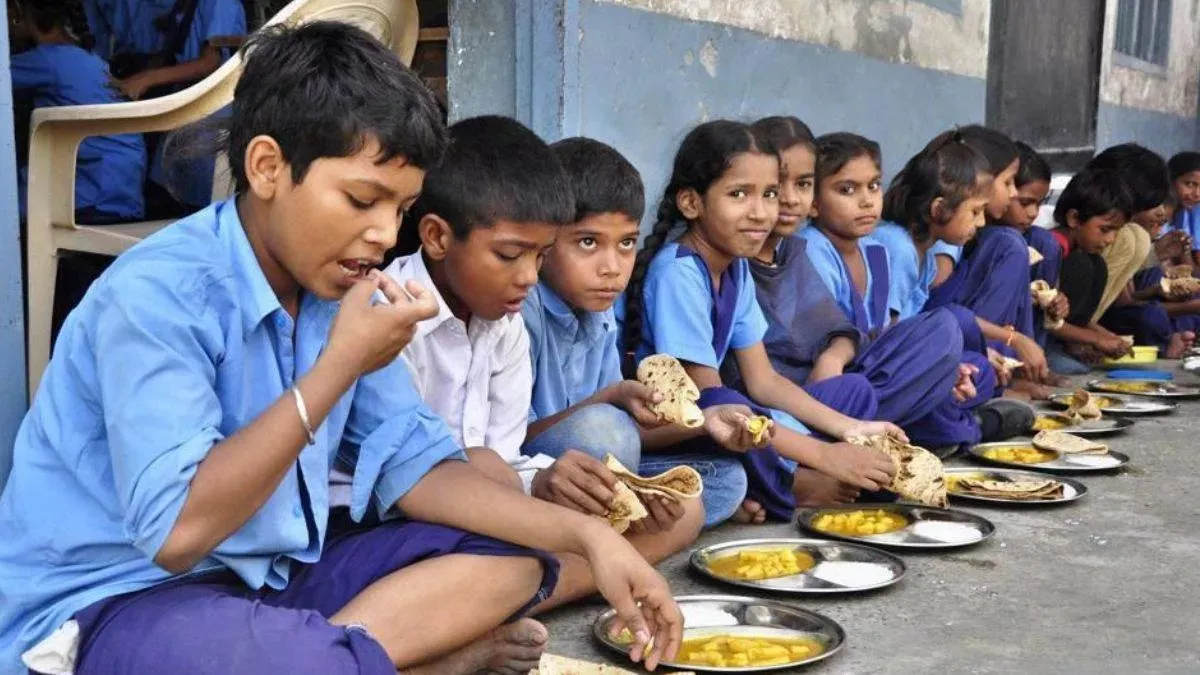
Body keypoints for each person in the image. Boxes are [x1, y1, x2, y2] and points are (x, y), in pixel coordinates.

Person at [0, 24, 681, 675]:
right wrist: (338, 367)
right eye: (362, 200)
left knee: (525, 554)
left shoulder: (336, 291)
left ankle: (344, 655)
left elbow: (423, 470)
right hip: (117, 598)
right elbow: (179, 532)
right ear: (267, 167)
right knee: (276, 657)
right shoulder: (157, 293)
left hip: (270, 577)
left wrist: (589, 535)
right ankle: (373, 657)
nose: (386, 234)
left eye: (400, 208)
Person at [622, 119, 898, 523]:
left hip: (737, 419)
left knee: (854, 393)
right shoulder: (678, 273)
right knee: (730, 407)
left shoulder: (736, 268)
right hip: (685, 431)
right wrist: (825, 453)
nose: (761, 212)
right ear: (691, 203)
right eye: (739, 194)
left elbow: (765, 381)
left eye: (769, 194)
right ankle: (791, 486)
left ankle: (788, 474)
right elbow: (711, 404)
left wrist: (853, 430)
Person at [525, 136, 761, 530]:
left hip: (604, 461)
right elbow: (513, 443)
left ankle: (615, 523)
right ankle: (610, 532)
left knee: (725, 480)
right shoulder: (523, 311)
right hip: (536, 473)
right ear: (543, 239)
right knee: (603, 428)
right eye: (588, 242)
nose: (612, 267)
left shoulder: (599, 312)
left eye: (626, 244)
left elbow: (630, 438)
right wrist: (613, 397)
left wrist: (706, 422)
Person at [85, 0, 248, 214]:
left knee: (202, 197)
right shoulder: (185, 6)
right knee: (168, 191)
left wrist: (148, 79)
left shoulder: (220, 3)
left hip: (213, 110)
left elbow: (210, 62)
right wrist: (134, 79)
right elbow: (170, 53)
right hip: (185, 108)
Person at [925, 125, 1052, 389]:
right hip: (944, 344)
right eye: (1008, 182)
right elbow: (940, 312)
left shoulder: (960, 234)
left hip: (954, 339)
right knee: (1010, 245)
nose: (1014, 193)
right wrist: (1010, 338)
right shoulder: (944, 242)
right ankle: (999, 375)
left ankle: (1011, 370)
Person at [8, 0, 146, 222]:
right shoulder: (90, 58)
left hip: (93, 196)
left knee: (9, 207)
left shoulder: (48, 60)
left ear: (17, 13)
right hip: (123, 193)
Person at [1047, 168, 1142, 366]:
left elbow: (1078, 315)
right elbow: (1044, 319)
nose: (1111, 239)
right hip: (1042, 333)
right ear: (1074, 218)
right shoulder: (1052, 248)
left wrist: (1109, 337)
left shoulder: (1083, 254)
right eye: (1105, 230)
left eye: (1116, 231)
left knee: (1097, 265)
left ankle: (1071, 344)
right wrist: (1096, 339)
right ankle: (1056, 347)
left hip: (1061, 327)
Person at [998, 142, 1070, 348]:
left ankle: (1036, 352)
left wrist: (1055, 302)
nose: (1033, 213)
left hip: (1026, 332)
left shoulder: (1039, 243)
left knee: (1046, 242)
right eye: (1024, 202)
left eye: (1038, 203)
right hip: (993, 330)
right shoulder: (972, 233)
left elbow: (1051, 290)